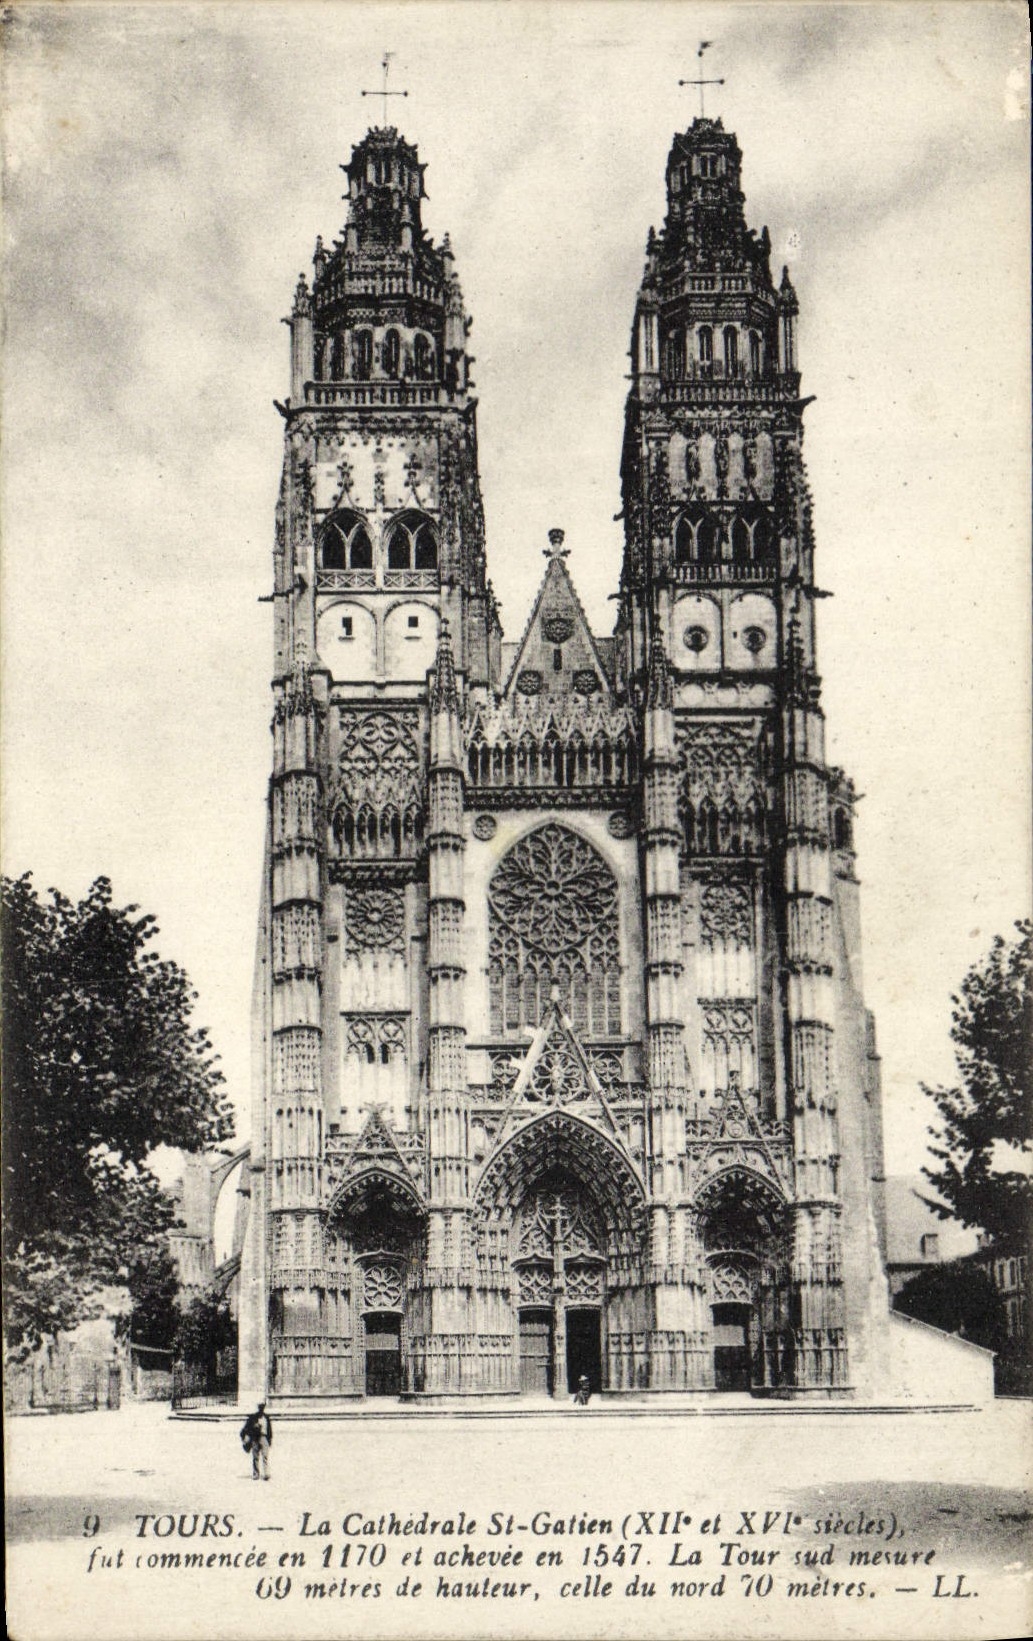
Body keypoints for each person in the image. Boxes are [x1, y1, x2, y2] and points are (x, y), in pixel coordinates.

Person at [241, 1401, 273, 1480]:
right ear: (258, 1408)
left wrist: (269, 1440)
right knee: (255, 1457)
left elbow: (270, 1429)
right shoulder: (253, 1417)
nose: (261, 1409)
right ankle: (256, 1473)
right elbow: (246, 1428)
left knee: (265, 1456)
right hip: (255, 1438)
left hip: (264, 1437)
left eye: (262, 1407)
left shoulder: (266, 1417)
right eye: (260, 1407)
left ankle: (266, 1473)